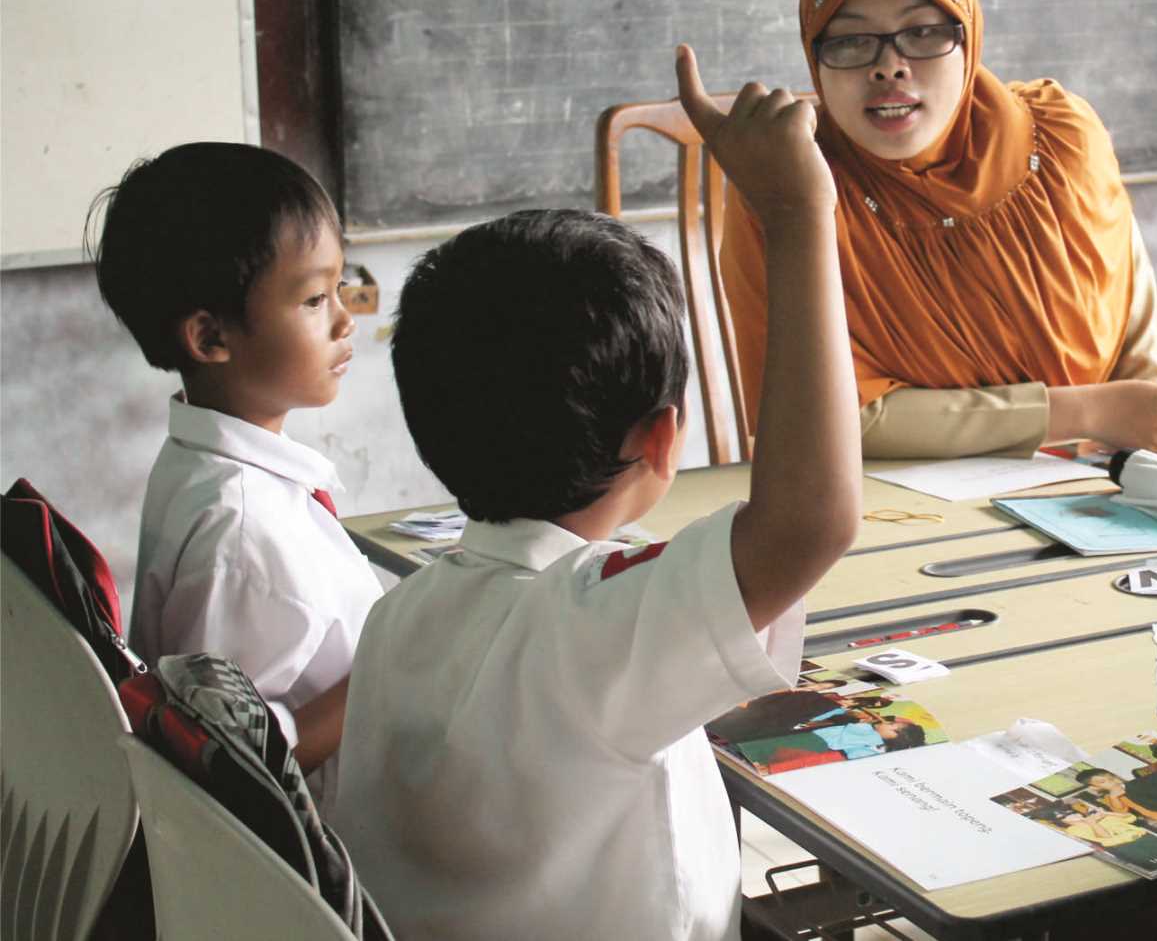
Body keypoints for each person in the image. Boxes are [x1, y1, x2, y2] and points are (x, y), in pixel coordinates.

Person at [331, 47, 861, 941]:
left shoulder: (402, 616)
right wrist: (796, 210)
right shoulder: (588, 634)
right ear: (661, 437)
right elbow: (810, 520)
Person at [719, 0, 1157, 459]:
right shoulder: (790, 185)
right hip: (888, 507)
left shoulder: (1062, 140)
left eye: (923, 33)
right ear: (813, 53)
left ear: (969, 37)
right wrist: (1092, 410)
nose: (889, 68)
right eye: (850, 41)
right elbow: (825, 419)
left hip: (1090, 488)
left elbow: (1130, 332)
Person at [89, 143, 379, 797]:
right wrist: (392, 671)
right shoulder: (242, 530)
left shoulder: (208, 465)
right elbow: (230, 762)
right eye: (312, 300)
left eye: (340, 287)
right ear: (211, 339)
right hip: (324, 858)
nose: (343, 319)